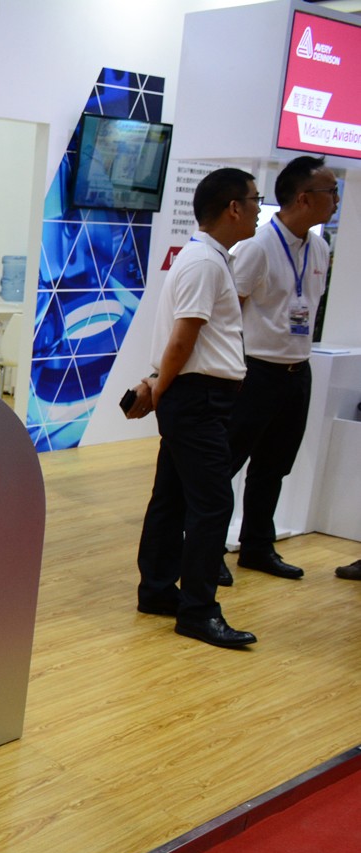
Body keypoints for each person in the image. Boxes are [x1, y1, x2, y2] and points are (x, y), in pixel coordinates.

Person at [132, 167, 260, 649]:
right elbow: (182, 339)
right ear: (233, 207)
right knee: (213, 504)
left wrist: (161, 388)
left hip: (195, 396)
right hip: (198, 398)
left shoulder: (207, 258)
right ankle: (199, 611)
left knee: (172, 498)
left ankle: (157, 590)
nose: (258, 209)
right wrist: (159, 389)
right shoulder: (205, 262)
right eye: (255, 200)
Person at [215, 156, 337, 584]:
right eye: (331, 191)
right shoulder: (257, 247)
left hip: (296, 371)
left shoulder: (320, 248)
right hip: (255, 371)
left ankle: (256, 546)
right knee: (226, 464)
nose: (336, 199)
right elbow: (228, 314)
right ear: (303, 198)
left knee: (274, 465)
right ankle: (208, 550)